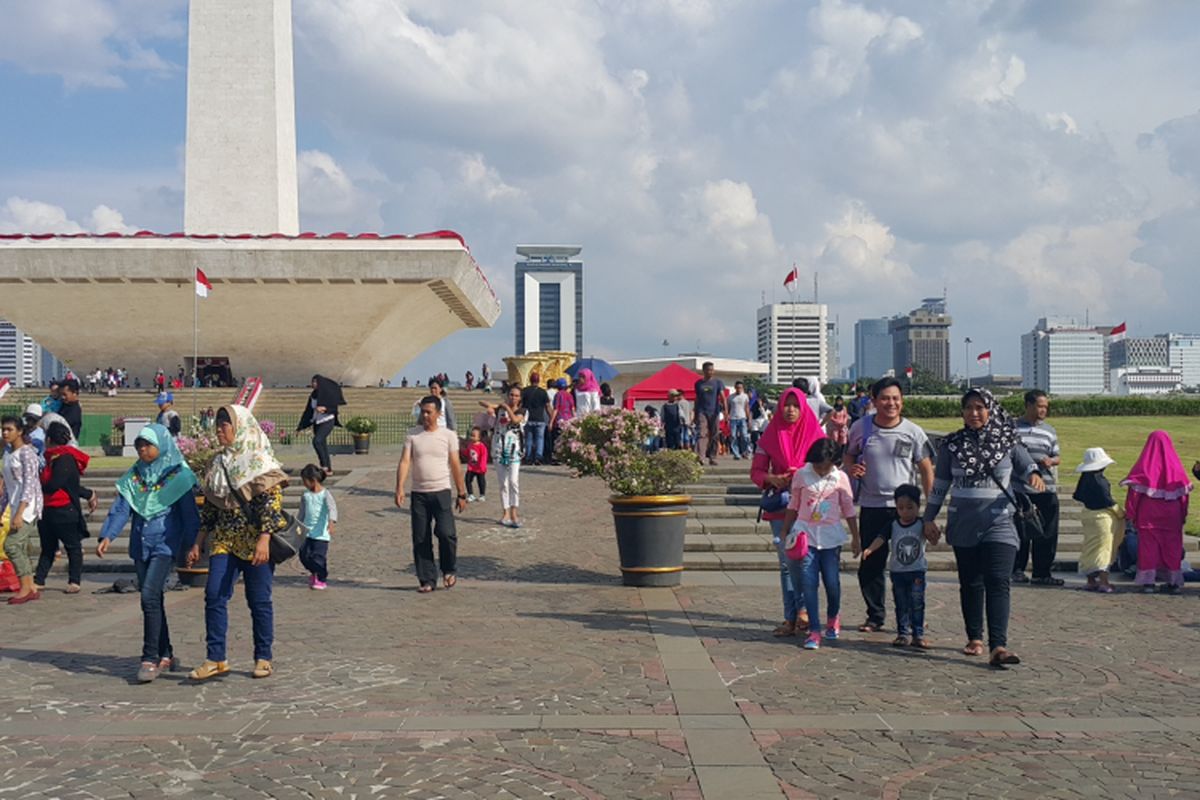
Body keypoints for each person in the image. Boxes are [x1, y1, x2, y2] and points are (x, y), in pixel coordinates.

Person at [923, 389, 1042, 668]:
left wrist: (1034, 475)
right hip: (963, 523)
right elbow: (940, 486)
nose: (974, 413)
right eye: (968, 408)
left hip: (1000, 522)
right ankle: (974, 636)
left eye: (980, 407)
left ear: (991, 409)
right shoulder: (951, 445)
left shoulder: (1008, 441)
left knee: (999, 581)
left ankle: (998, 645)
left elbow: (1026, 465)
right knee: (971, 583)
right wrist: (929, 518)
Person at [186, 405, 289, 681]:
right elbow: (210, 506)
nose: (220, 430)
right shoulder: (217, 463)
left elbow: (272, 503)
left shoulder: (260, 461)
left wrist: (265, 538)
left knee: (258, 601)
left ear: (240, 427)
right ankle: (216, 657)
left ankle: (263, 656)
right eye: (218, 425)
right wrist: (198, 542)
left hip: (255, 539)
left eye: (225, 425)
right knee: (214, 595)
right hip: (225, 540)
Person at [97, 424, 200, 682]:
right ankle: (166, 653)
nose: (143, 450)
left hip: (165, 545)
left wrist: (191, 544)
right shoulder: (135, 476)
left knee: (148, 596)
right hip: (140, 545)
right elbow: (121, 508)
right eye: (139, 445)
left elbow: (189, 515)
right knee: (154, 601)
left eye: (148, 445)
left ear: (161, 444)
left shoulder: (179, 476)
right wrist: (108, 535)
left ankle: (150, 657)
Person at [843, 377, 934, 633]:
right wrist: (852, 467)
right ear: (874, 401)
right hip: (872, 505)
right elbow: (848, 454)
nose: (890, 403)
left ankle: (913, 615)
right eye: (884, 398)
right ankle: (875, 615)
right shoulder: (861, 427)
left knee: (909, 564)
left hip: (905, 510)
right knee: (871, 563)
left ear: (902, 401)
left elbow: (926, 469)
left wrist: (929, 510)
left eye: (895, 398)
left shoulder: (913, 432)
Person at [750, 387, 825, 638]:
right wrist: (773, 478)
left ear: (803, 407)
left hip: (809, 507)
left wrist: (802, 474)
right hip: (781, 506)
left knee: (804, 560)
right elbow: (756, 472)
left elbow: (828, 466)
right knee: (785, 563)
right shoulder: (770, 435)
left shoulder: (815, 433)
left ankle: (803, 611)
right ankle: (790, 617)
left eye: (795, 405)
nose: (790, 410)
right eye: (786, 405)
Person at [780, 437, 858, 651]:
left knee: (832, 582)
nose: (822, 470)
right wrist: (786, 529)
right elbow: (793, 504)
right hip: (806, 535)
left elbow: (849, 509)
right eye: (818, 465)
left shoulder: (840, 477)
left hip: (831, 538)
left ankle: (833, 616)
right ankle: (814, 630)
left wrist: (856, 537)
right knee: (808, 583)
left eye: (826, 466)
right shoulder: (802, 475)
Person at [396, 396, 468, 592]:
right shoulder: (412, 435)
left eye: (429, 412)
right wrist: (399, 487)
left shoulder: (448, 435)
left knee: (447, 533)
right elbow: (405, 462)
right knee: (421, 537)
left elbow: (455, 465)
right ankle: (427, 579)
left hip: (442, 491)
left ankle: (449, 569)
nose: (425, 415)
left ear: (438, 414)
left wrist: (462, 493)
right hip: (419, 493)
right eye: (423, 411)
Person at [1122, 430, 1192, 594]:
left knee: (1148, 548)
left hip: (1148, 513)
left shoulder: (1144, 466)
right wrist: (1182, 515)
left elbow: (1134, 494)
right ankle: (1173, 582)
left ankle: (1148, 583)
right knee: (1172, 547)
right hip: (1171, 515)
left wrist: (1131, 514)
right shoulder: (1176, 468)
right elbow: (1184, 495)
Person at [34, 422, 97, 594]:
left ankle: (74, 580)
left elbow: (56, 484)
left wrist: (37, 486)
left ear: (48, 439)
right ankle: (39, 579)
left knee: (72, 546)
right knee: (47, 547)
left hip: (63, 509)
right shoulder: (49, 458)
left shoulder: (65, 458)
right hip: (47, 509)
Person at [862, 484, 928, 649]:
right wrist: (870, 549)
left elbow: (932, 539)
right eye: (901, 508)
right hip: (898, 572)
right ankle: (902, 633)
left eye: (909, 507)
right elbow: (881, 538)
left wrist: (934, 533)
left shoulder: (921, 524)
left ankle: (918, 634)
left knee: (917, 602)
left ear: (918, 507)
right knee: (901, 603)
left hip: (917, 571)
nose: (905, 512)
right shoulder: (893, 524)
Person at [1012, 390, 1063, 586]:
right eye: (1040, 406)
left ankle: (1042, 572)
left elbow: (1057, 456)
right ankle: (1017, 570)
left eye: (1046, 407)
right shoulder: (1014, 429)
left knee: (1048, 532)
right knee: (1021, 531)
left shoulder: (1049, 430)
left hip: (1046, 489)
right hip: (1021, 489)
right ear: (1028, 405)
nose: (1043, 410)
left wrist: (1051, 460)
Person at [2, 415, 45, 604]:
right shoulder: (8, 452)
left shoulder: (27, 453)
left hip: (27, 507)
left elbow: (30, 484)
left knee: (11, 545)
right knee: (21, 547)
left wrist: (20, 512)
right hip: (13, 504)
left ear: (19, 431)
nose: (5, 433)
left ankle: (25, 586)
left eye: (9, 429)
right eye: (3, 429)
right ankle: (30, 585)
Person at [1073, 447, 1122, 593]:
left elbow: (1077, 495)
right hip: (1102, 518)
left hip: (1088, 515)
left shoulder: (1085, 478)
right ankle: (1104, 581)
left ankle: (1090, 580)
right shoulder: (1099, 481)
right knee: (1103, 549)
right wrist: (1121, 513)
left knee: (1089, 547)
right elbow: (1107, 501)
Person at [482, 386, 525, 528]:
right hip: (499, 448)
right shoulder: (500, 409)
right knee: (503, 483)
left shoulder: (522, 411)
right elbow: (482, 402)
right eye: (511, 394)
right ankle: (505, 511)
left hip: (514, 449)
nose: (513, 397)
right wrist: (491, 409)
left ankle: (514, 511)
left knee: (513, 481)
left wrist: (506, 407)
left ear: (520, 398)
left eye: (516, 395)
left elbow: (515, 421)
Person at [297, 464, 338, 590]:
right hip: (307, 532)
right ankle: (314, 572)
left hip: (321, 534)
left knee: (318, 557)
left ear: (312, 480)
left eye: (305, 481)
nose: (304, 484)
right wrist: (297, 525)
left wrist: (331, 522)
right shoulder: (306, 496)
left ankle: (321, 577)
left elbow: (332, 508)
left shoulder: (325, 494)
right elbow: (302, 512)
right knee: (304, 555)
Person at [298, 374, 346, 477]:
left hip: (327, 421)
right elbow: (308, 411)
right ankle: (328, 469)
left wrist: (325, 409)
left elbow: (334, 409)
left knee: (317, 441)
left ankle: (324, 465)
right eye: (312, 382)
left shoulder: (328, 394)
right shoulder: (312, 396)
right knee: (322, 445)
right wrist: (300, 427)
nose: (313, 384)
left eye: (315, 382)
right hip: (317, 422)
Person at [694, 362, 727, 466]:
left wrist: (726, 412)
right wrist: (695, 414)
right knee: (702, 433)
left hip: (714, 412)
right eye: (708, 370)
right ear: (704, 371)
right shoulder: (698, 383)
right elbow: (697, 399)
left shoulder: (718, 382)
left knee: (714, 434)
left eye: (712, 370)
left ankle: (712, 457)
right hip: (702, 411)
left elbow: (723, 397)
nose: (710, 372)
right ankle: (701, 457)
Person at [520, 373, 552, 466]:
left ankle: (529, 457)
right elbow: (547, 406)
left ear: (530, 380)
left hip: (528, 418)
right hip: (540, 418)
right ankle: (538, 457)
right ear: (538, 380)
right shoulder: (543, 392)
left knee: (528, 439)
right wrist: (551, 417)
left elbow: (521, 405)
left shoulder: (525, 391)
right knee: (540, 439)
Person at [549, 377, 576, 461]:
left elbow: (556, 409)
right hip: (569, 420)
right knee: (566, 439)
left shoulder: (558, 395)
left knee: (558, 439)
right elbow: (573, 409)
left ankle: (557, 457)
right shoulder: (569, 395)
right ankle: (567, 457)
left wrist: (551, 422)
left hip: (560, 420)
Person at [727, 381, 751, 459]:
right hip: (733, 418)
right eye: (737, 388)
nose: (739, 389)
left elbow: (747, 408)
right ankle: (736, 453)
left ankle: (745, 452)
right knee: (733, 436)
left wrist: (749, 419)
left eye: (740, 388)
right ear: (735, 388)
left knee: (744, 435)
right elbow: (728, 408)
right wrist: (727, 417)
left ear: (742, 388)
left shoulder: (745, 396)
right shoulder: (730, 397)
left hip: (742, 417)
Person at [464, 427, 489, 502]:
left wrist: (482, 465)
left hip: (480, 468)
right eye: (471, 435)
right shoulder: (470, 445)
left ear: (479, 437)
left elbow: (484, 456)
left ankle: (482, 495)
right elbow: (467, 453)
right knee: (467, 480)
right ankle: (471, 494)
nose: (472, 437)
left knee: (481, 481)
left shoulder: (482, 446)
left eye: (474, 435)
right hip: (471, 467)